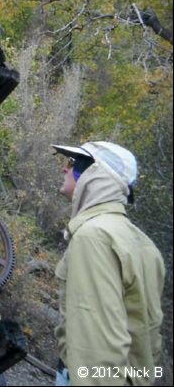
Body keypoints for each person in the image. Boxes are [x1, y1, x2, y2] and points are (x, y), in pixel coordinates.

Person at [51, 141, 165, 386]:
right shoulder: (143, 243)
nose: (65, 169)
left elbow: (96, 347)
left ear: (95, 176)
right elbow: (147, 337)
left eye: (73, 164)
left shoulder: (93, 237)